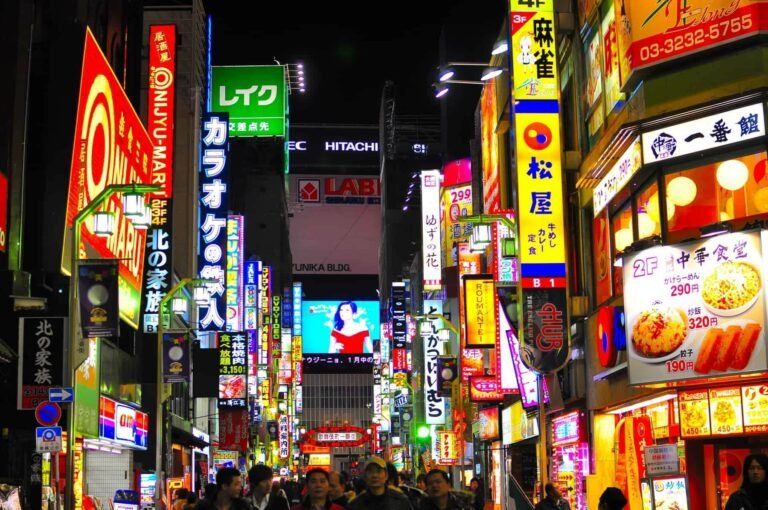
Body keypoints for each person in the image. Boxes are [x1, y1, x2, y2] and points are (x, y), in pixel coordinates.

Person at [348, 456, 412, 510]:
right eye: (370, 471)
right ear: (365, 476)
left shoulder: (400, 501)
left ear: (386, 475)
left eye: (379, 471)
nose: (375, 475)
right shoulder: (356, 505)